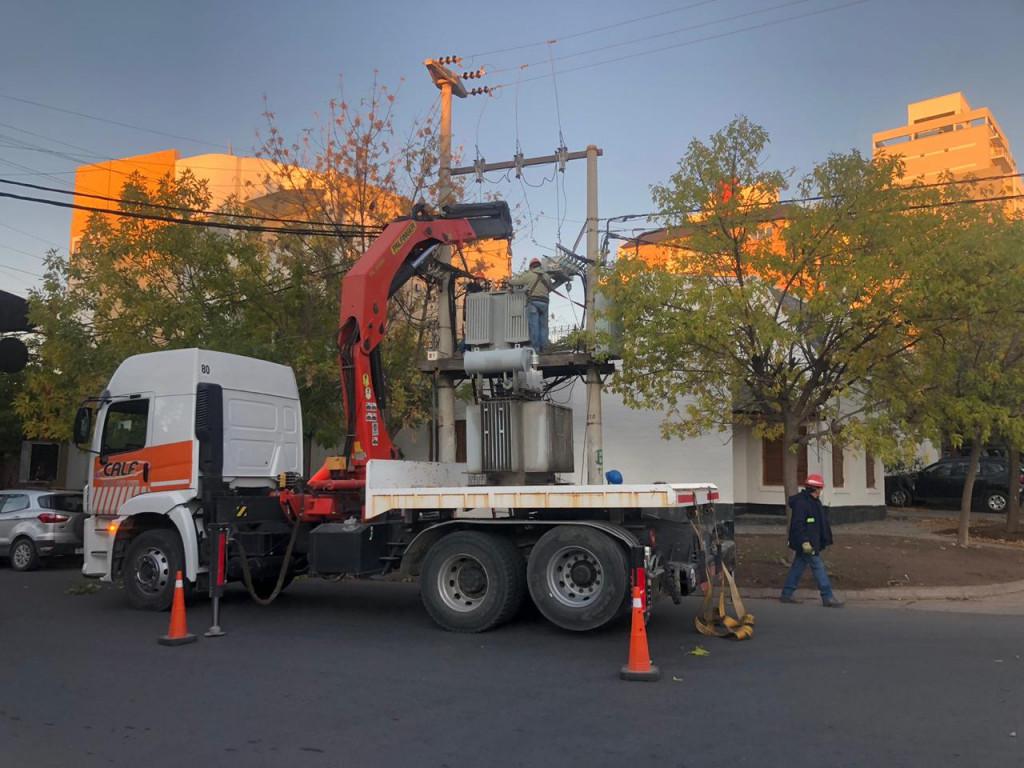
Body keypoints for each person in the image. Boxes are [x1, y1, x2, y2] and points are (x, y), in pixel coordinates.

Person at [779, 473, 844, 607]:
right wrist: (804, 541)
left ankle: (787, 593)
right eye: (820, 488)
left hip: (810, 542)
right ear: (815, 489)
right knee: (818, 567)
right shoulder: (803, 503)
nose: (821, 491)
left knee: (798, 567)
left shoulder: (813, 502)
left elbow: (818, 523)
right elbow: (798, 525)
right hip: (808, 543)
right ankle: (827, 596)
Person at [509, 257, 553, 352]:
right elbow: (550, 287)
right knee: (544, 327)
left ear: (531, 266)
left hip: (533, 302)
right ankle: (544, 348)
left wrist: (508, 281)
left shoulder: (529, 275)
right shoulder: (546, 276)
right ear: (539, 265)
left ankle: (536, 349)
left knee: (534, 326)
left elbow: (517, 282)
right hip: (545, 303)